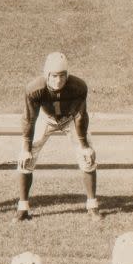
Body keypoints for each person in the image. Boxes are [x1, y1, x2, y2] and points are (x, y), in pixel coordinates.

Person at [14, 52, 101, 222]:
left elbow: (80, 116)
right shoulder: (35, 88)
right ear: (47, 75)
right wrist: (26, 148)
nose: (58, 80)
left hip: (70, 118)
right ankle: (22, 207)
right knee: (25, 158)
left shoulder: (78, 87)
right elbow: (29, 119)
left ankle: (92, 205)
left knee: (88, 156)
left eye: (62, 76)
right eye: (54, 76)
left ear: (67, 75)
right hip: (46, 118)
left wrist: (84, 145)